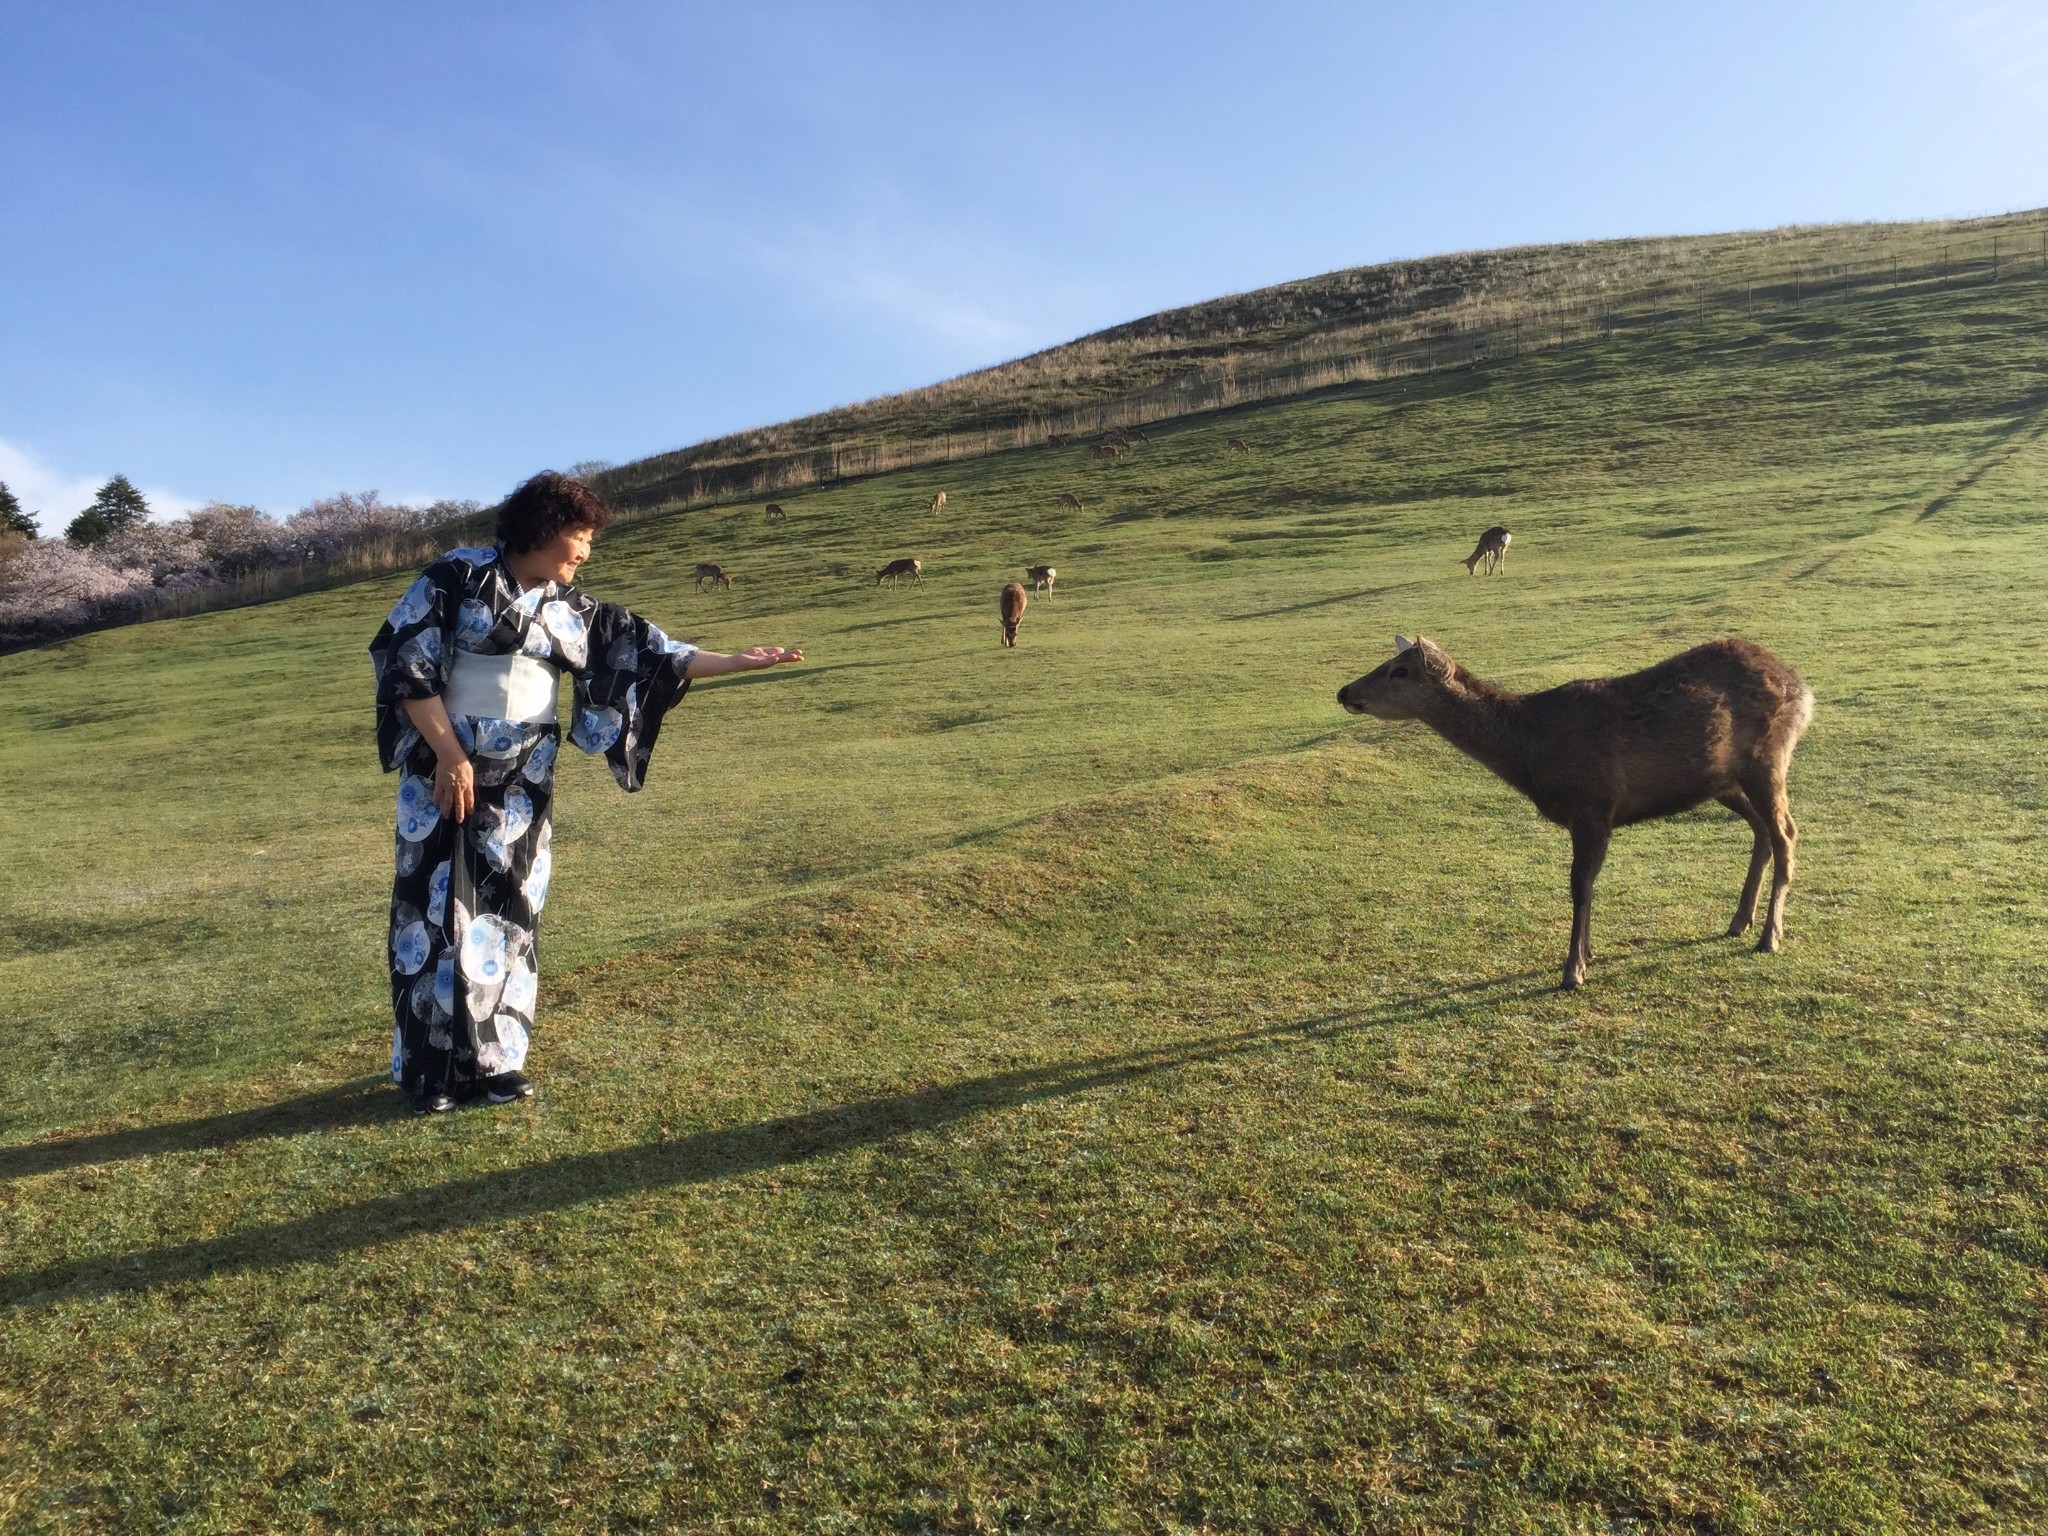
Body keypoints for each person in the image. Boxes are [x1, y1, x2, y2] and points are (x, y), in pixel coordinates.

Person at [369, 471, 802, 1113]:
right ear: (543, 531)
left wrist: (735, 660)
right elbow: (406, 664)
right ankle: (431, 1071)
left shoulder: (570, 610)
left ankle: (495, 1063)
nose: (586, 552)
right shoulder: (454, 578)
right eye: (580, 537)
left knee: (512, 911)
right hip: (445, 774)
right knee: (436, 910)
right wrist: (450, 755)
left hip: (523, 783)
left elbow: (652, 652)